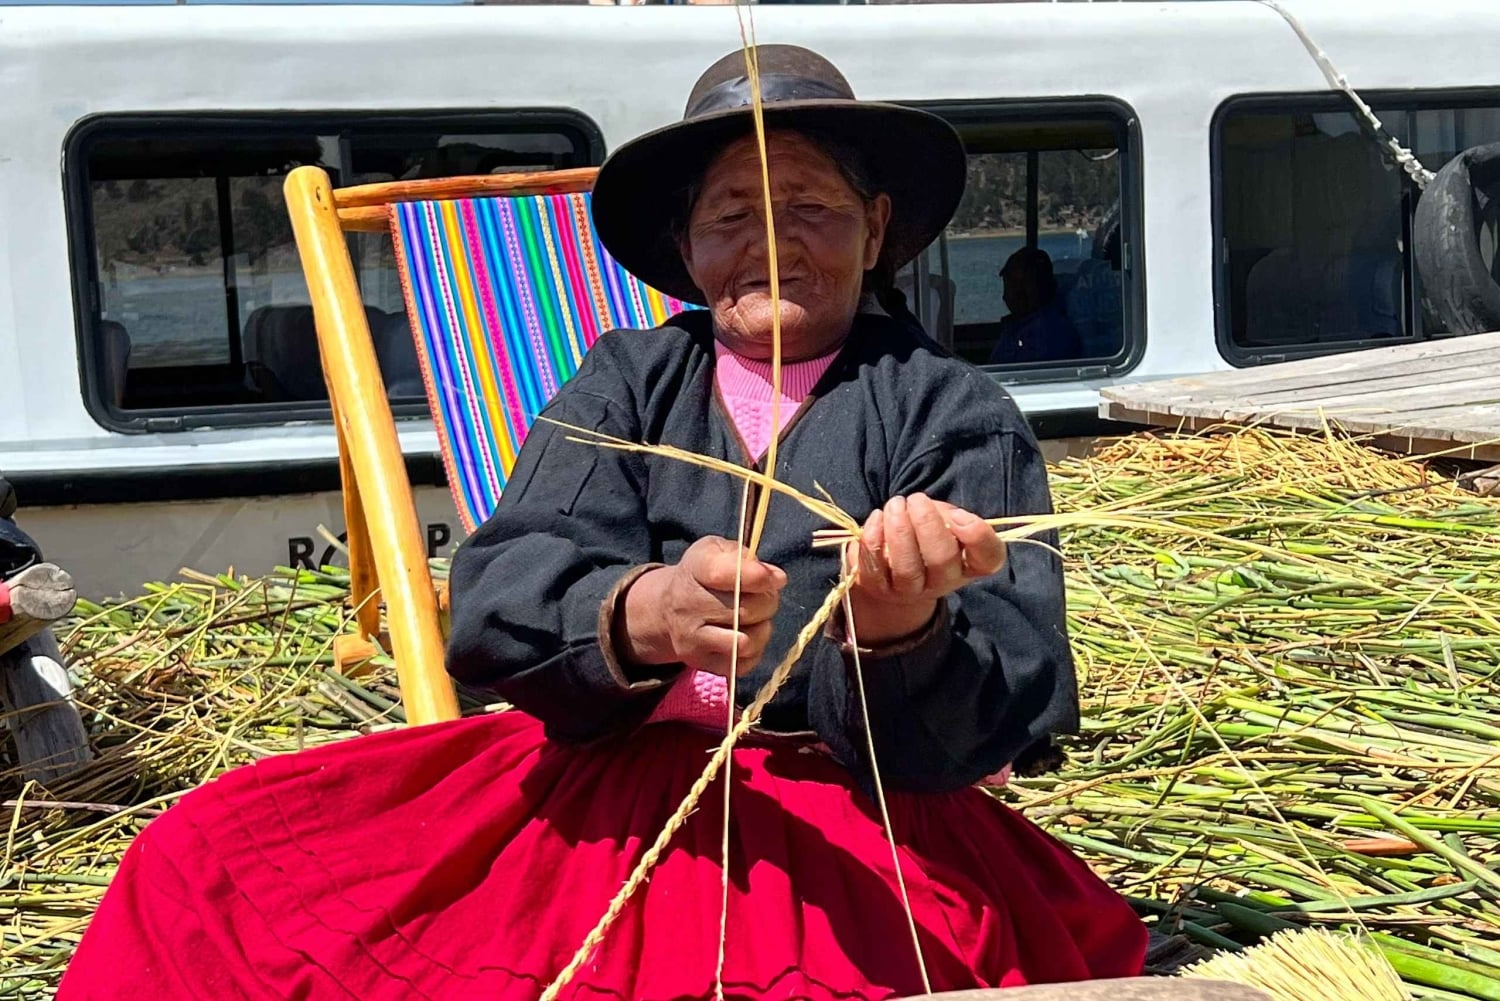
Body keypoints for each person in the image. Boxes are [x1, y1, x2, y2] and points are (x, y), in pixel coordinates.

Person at [59, 45, 1146, 1000]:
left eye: (811, 207)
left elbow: (1013, 691)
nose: (773, 242)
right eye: (732, 216)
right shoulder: (626, 381)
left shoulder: (952, 409)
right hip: (604, 785)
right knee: (207, 856)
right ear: (688, 249)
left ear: (876, 230)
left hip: (857, 812)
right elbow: (496, 592)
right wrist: (638, 611)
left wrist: (902, 630)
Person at [988, 246, 1083, 365]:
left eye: (1010, 286)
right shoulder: (1019, 328)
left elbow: (1021, 375)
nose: (1005, 297)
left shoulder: (1048, 334)